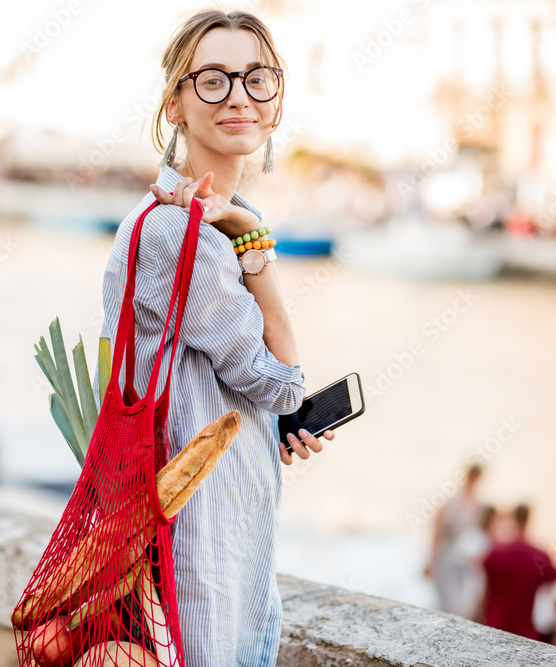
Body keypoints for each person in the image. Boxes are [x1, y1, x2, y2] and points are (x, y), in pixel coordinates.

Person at [97, 9, 333, 665]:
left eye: (257, 78)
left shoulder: (209, 221)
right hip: (199, 564)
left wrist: (274, 426)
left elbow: (249, 393)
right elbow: (283, 380)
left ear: (275, 99)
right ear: (174, 103)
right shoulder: (184, 234)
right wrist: (258, 251)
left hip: (221, 545)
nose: (238, 96)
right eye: (213, 80)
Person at [482, 504, 556, 640]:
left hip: (495, 626)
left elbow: (485, 589)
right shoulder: (539, 556)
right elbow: (554, 580)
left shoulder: (497, 553)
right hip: (525, 632)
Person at [425, 464, 485, 617]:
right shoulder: (451, 504)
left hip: (467, 562)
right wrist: (431, 560)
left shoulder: (480, 506)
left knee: (464, 604)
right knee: (447, 603)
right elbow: (438, 532)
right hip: (447, 559)